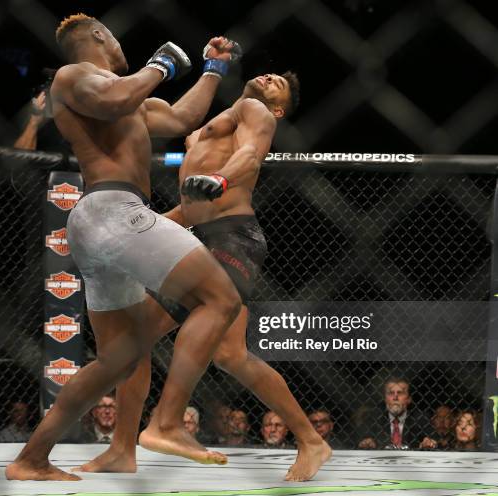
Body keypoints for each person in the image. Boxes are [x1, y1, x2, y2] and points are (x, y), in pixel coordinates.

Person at [6, 13, 242, 481]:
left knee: (121, 357)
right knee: (222, 298)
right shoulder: (76, 78)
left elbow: (180, 117)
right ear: (98, 35)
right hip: (113, 210)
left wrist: (212, 69)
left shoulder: (129, 95)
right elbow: (114, 99)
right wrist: (159, 66)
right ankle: (168, 424)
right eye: (112, 33)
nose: (119, 42)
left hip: (109, 224)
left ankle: (35, 458)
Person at [80, 71, 331, 481]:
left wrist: (221, 178)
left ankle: (166, 423)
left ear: (279, 108)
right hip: (197, 237)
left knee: (142, 335)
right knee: (228, 355)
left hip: (233, 240)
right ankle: (123, 448)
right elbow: (189, 206)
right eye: (268, 75)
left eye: (278, 85)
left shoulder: (256, 113)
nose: (268, 79)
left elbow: (250, 155)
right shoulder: (215, 124)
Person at [357, 377, 429, 449]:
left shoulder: (420, 418)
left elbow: (432, 439)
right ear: (385, 398)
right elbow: (358, 439)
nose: (395, 397)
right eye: (391, 393)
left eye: (400, 393)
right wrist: (367, 442)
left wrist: (427, 443)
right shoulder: (374, 417)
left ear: (409, 399)